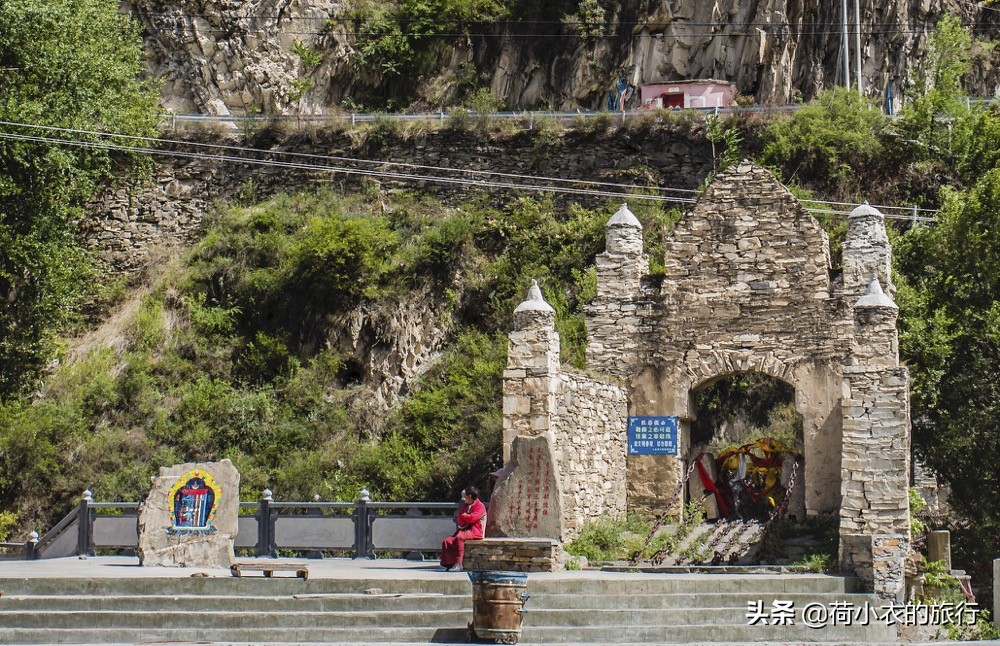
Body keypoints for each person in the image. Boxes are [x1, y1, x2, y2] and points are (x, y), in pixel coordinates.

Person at [440, 486, 486, 572]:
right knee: (447, 541)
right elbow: (459, 518)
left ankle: (458, 563)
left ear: (470, 496)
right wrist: (464, 517)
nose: (463, 498)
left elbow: (472, 518)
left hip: (476, 531)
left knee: (459, 538)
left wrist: (464, 516)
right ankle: (448, 563)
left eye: (465, 496)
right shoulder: (465, 506)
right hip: (464, 530)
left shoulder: (480, 506)